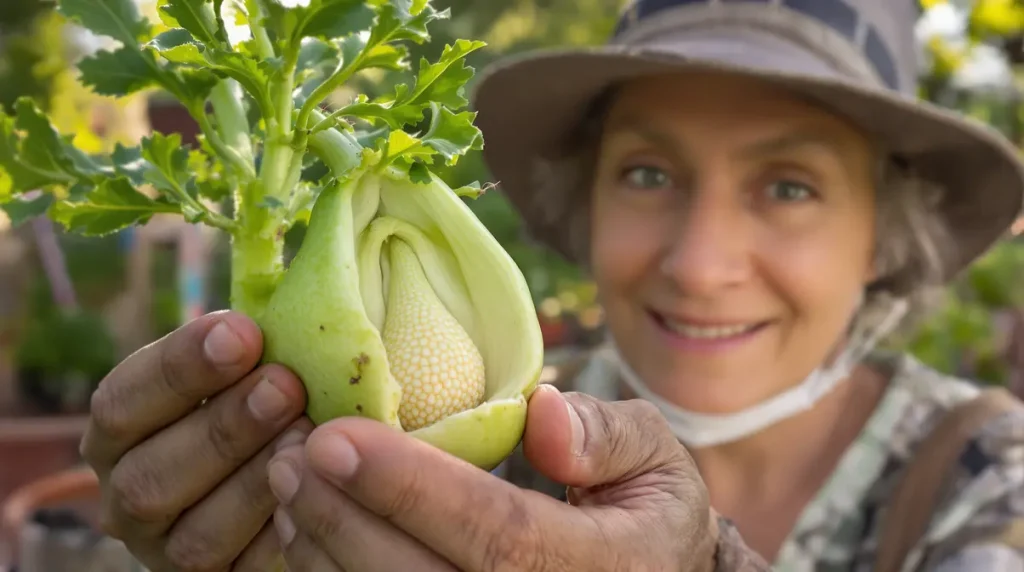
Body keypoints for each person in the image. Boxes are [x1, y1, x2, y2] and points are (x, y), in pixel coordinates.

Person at [76, 0, 1024, 571]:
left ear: (882, 237)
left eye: (790, 187)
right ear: (590, 198)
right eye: (648, 173)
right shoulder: (506, 436)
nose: (699, 264)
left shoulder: (990, 480)